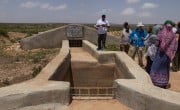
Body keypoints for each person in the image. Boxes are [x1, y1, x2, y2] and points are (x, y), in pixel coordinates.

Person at [150, 20, 178, 89]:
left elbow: (156, 44)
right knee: (165, 68)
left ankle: (155, 81)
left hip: (160, 54)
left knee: (156, 66)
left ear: (164, 25)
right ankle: (164, 82)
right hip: (168, 56)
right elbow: (174, 46)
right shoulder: (173, 35)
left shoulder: (161, 33)